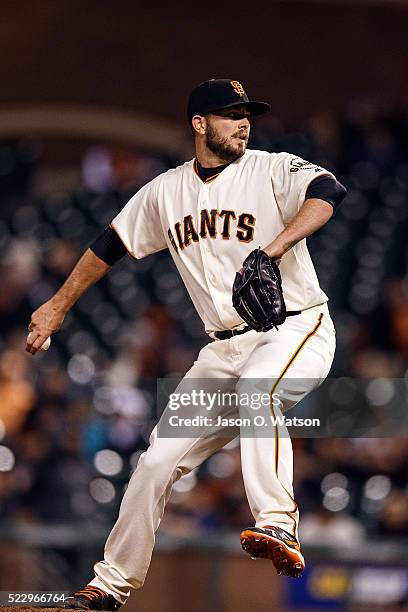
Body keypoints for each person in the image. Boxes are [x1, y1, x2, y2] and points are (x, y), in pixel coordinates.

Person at [26, 79, 346, 610]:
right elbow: (110, 244)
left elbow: (327, 194)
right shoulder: (165, 191)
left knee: (258, 392)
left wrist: (274, 248)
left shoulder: (269, 168)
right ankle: (109, 586)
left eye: (247, 115)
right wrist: (59, 303)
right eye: (229, 115)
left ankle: (278, 524)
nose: (243, 123)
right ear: (199, 124)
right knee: (156, 463)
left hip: (294, 327)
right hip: (221, 350)